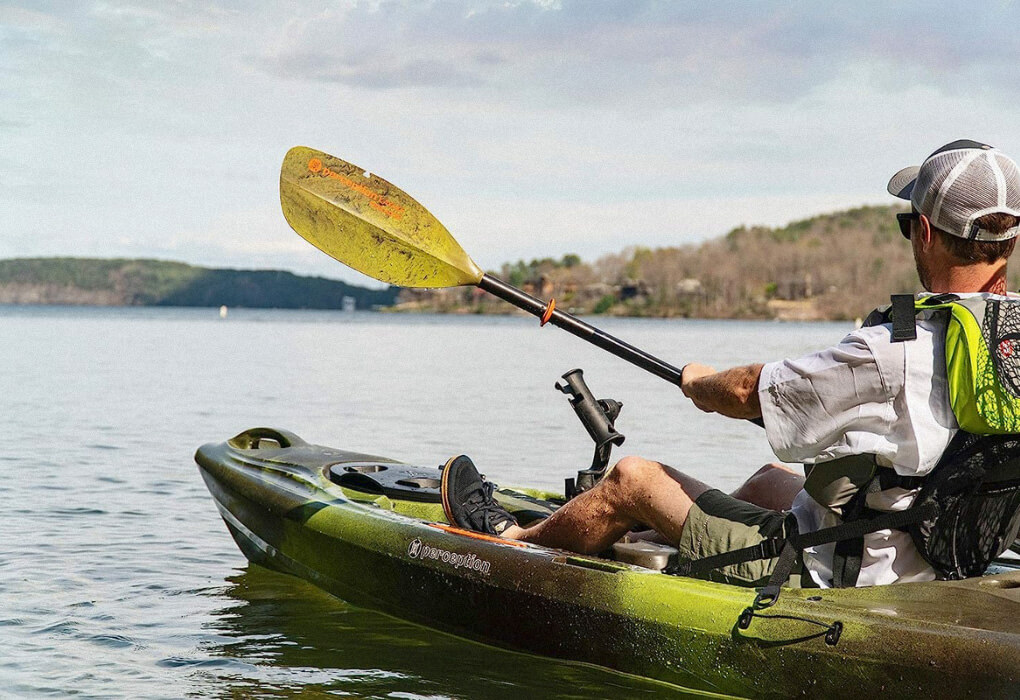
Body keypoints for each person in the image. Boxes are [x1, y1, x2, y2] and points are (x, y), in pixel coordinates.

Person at [440, 140, 1020, 588]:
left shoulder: (893, 348)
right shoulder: (1009, 339)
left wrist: (699, 381)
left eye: (906, 225)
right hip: (931, 551)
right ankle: (646, 535)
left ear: (923, 232)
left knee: (630, 479)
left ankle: (516, 541)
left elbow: (746, 392)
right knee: (773, 481)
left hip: (844, 574)